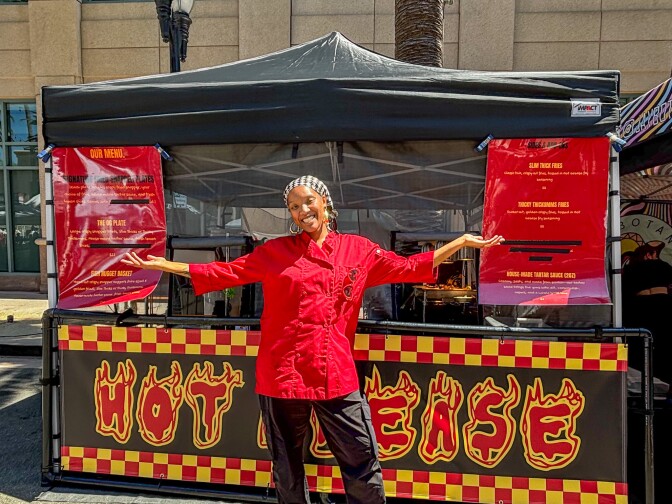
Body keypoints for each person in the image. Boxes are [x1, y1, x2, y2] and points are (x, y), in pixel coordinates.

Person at [122, 175, 504, 504]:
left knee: (361, 455)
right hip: (281, 373)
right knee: (287, 464)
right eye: (292, 206)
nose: (301, 210)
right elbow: (226, 272)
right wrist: (165, 264)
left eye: (308, 201)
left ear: (326, 203)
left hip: (335, 372)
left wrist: (461, 243)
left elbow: (408, 268)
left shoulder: (359, 249)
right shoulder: (275, 252)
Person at [622, 241, 672, 384]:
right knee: (664, 344)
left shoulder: (632, 268)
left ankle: (644, 381)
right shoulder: (664, 266)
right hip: (663, 305)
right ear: (649, 254)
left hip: (641, 307)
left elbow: (626, 291)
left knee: (641, 343)